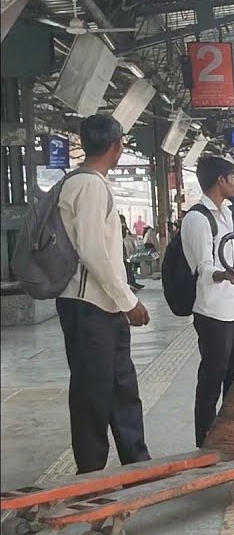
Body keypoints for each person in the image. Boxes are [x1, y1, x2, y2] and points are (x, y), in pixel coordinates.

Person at [56, 114, 151, 474]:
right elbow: (94, 251)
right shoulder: (91, 187)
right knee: (93, 395)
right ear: (116, 146)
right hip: (89, 308)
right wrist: (129, 301)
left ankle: (136, 464)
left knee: (121, 387)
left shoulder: (79, 183)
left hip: (100, 307)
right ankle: (91, 473)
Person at [184, 156, 234, 448]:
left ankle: (230, 432)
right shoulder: (198, 218)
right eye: (232, 178)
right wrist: (224, 274)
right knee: (213, 375)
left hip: (232, 307)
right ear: (221, 180)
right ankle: (205, 437)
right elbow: (203, 267)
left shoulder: (225, 213)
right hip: (211, 311)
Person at [120, 214, 143, 292]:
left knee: (128, 266)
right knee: (126, 267)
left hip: (122, 249)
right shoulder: (118, 226)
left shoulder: (122, 226)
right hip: (119, 249)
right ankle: (130, 283)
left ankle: (132, 283)